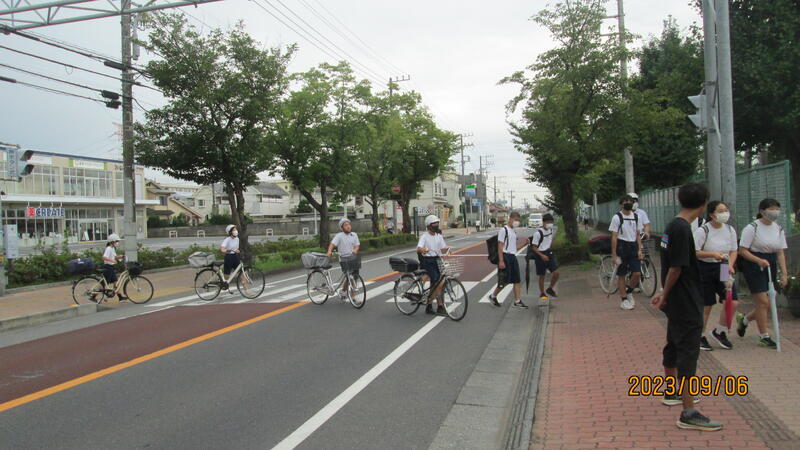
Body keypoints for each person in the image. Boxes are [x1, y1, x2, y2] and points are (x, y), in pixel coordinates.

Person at [651, 182, 722, 431]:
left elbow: (671, 265)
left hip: (677, 300)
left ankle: (672, 391)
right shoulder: (682, 229)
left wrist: (665, 293)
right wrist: (664, 293)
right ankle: (688, 411)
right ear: (704, 204)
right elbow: (676, 267)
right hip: (685, 300)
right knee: (688, 353)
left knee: (674, 344)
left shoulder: (673, 225)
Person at [736, 198, 789, 349]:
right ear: (762, 211)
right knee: (763, 302)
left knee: (768, 303)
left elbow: (780, 252)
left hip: (770, 264)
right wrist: (758, 260)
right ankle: (764, 336)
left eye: (777, 209)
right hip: (754, 264)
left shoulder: (778, 228)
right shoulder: (752, 227)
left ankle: (745, 320)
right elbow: (742, 250)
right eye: (771, 209)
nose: (775, 212)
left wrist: (784, 273)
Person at [693, 201, 738, 351]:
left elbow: (734, 250)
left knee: (731, 300)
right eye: (721, 211)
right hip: (705, 267)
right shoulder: (703, 231)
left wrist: (730, 264)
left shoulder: (730, 230)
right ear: (712, 214)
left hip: (724, 267)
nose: (725, 213)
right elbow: (695, 252)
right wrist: (712, 254)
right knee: (707, 304)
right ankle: (700, 335)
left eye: (726, 210)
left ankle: (720, 331)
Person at [609, 194, 644, 310]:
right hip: (622, 246)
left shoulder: (636, 217)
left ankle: (629, 292)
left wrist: (640, 249)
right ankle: (623, 299)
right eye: (625, 201)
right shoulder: (617, 217)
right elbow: (614, 236)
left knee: (637, 273)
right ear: (621, 204)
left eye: (630, 201)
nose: (628, 203)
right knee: (622, 274)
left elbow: (638, 234)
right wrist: (614, 254)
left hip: (633, 246)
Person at [488, 211, 526, 308]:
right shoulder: (503, 230)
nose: (517, 222)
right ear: (511, 219)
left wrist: (525, 244)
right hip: (505, 257)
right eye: (516, 220)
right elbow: (500, 246)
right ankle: (493, 296)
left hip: (513, 256)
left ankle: (517, 301)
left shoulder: (513, 231)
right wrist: (501, 260)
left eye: (518, 220)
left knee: (517, 280)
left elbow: (513, 248)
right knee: (504, 280)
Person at [417, 215, 451, 315]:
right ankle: (440, 306)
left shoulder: (439, 236)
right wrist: (423, 249)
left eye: (437, 223)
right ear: (429, 225)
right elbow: (418, 248)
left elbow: (442, 249)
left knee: (438, 283)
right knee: (437, 282)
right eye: (434, 224)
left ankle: (429, 305)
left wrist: (447, 250)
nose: (436, 225)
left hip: (438, 260)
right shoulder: (424, 236)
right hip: (428, 261)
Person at [529, 213, 560, 301]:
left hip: (549, 253)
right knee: (542, 275)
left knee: (556, 272)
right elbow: (534, 247)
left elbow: (549, 240)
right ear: (543, 222)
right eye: (548, 222)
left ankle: (550, 288)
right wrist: (542, 255)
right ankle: (542, 293)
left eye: (551, 222)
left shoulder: (550, 230)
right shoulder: (538, 233)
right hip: (540, 254)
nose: (550, 224)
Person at [328, 218, 361, 293]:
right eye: (345, 225)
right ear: (342, 228)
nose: (348, 226)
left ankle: (343, 291)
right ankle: (353, 296)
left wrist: (355, 250)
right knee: (349, 276)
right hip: (343, 259)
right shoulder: (339, 236)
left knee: (354, 277)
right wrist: (329, 251)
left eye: (349, 224)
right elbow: (332, 244)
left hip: (353, 257)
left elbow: (357, 245)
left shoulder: (354, 235)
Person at [102, 233, 127, 300]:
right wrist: (112, 260)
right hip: (107, 267)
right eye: (117, 241)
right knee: (103, 284)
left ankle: (120, 297)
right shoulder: (108, 248)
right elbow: (104, 257)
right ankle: (93, 295)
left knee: (115, 282)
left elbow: (114, 256)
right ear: (112, 241)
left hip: (111, 267)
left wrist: (120, 256)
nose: (117, 243)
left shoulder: (112, 248)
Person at [220, 224, 240, 295]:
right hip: (229, 257)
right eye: (234, 230)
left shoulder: (237, 239)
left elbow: (236, 248)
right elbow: (222, 249)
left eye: (236, 229)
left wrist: (237, 250)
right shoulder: (227, 239)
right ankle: (221, 287)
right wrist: (227, 250)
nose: (236, 231)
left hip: (235, 257)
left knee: (241, 273)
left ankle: (247, 291)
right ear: (230, 232)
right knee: (226, 277)